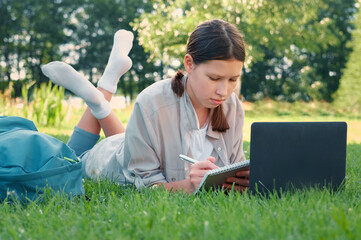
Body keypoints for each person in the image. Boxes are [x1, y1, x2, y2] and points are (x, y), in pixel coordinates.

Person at [121, 19, 249, 194]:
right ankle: (103, 91)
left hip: (129, 140)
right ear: (189, 64)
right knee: (83, 151)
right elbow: (142, 183)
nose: (223, 91)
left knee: (118, 135)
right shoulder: (151, 103)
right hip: (106, 158)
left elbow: (235, 170)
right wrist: (189, 186)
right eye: (214, 78)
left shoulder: (232, 106)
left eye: (233, 79)